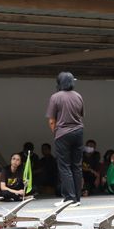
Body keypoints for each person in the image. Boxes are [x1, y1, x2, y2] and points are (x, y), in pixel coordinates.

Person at [46, 71, 84, 204]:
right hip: (79, 132)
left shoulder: (55, 97)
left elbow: (52, 121)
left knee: (64, 166)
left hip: (63, 133)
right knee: (77, 166)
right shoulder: (78, 96)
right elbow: (80, 115)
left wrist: (56, 133)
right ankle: (77, 198)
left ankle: (69, 198)